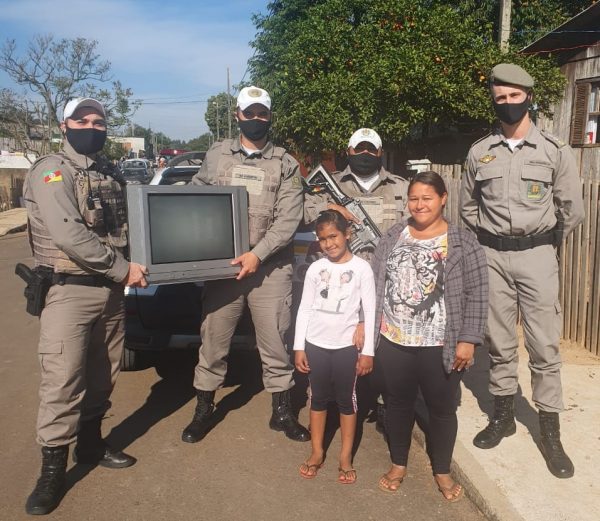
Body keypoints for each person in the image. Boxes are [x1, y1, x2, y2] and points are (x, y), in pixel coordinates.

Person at [22, 98, 148, 515]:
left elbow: (133, 225)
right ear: (65, 125)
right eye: (83, 120)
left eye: (99, 122)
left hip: (110, 293)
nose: (92, 127)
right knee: (62, 381)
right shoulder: (51, 170)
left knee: (102, 375)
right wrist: (123, 268)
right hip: (69, 291)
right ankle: (52, 471)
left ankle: (91, 445)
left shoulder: (109, 171)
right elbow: (69, 235)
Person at [461, 63, 585, 479]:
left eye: (515, 97)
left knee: (545, 344)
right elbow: (467, 209)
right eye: (501, 98)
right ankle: (503, 416)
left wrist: (545, 244)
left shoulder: (554, 150)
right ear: (494, 101)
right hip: (492, 256)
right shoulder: (480, 152)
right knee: (498, 341)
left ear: (528, 97)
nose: (509, 104)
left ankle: (549, 428)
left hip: (537, 256)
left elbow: (571, 210)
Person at [182, 86, 310, 443]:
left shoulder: (285, 163)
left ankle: (282, 413)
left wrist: (258, 254)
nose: (256, 120)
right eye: (249, 113)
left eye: (262, 114)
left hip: (269, 267)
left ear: (270, 117)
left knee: (276, 342)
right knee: (213, 342)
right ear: (237, 114)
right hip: (223, 268)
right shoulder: (217, 155)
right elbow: (196, 195)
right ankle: (203, 410)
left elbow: (288, 219)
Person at [371, 171, 488, 500]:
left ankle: (442, 469)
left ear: (443, 199)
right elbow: (375, 283)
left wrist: (468, 338)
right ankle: (398, 463)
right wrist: (366, 325)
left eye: (427, 198)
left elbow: (478, 292)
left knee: (441, 409)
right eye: (413, 198)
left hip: (440, 344)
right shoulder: (393, 235)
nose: (419, 205)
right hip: (394, 341)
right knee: (397, 404)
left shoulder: (464, 241)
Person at [304, 128, 409, 432]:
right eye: (358, 149)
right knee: (338, 341)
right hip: (339, 283)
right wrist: (331, 207)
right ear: (348, 151)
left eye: (370, 149)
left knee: (386, 347)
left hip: (386, 280)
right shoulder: (332, 184)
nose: (364, 154)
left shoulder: (399, 186)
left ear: (379, 153)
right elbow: (305, 209)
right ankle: (330, 401)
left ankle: (384, 404)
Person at [294, 210, 376, 483]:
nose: (328, 243)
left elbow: (371, 311)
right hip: (316, 344)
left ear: (347, 234)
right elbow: (304, 308)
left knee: (346, 400)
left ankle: (344, 456)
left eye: (333, 236)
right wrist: (299, 346)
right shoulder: (316, 268)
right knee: (317, 398)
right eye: (322, 239)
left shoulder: (362, 268)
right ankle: (317, 452)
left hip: (345, 347)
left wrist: (367, 352)